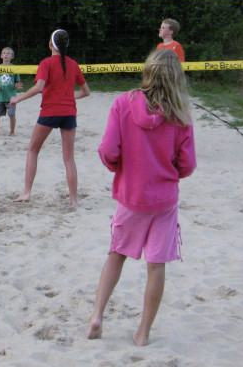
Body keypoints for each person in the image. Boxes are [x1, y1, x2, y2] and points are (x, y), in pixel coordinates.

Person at [87, 49, 196, 346]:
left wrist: (119, 168)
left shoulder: (124, 103)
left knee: (116, 255)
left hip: (131, 197)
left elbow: (109, 151)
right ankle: (143, 333)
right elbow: (187, 165)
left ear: (148, 70)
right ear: (177, 78)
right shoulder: (180, 114)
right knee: (156, 266)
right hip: (163, 200)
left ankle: (97, 315)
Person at [9, 29, 91, 207]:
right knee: (69, 158)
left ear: (50, 44)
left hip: (50, 112)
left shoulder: (46, 63)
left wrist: (18, 99)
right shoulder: (73, 64)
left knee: (32, 150)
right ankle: (74, 200)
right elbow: (86, 92)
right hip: (69, 113)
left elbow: (39, 87)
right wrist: (68, 97)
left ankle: (27, 192)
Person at [0, 47, 23, 136]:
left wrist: (17, 86)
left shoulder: (15, 68)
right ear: (1, 55)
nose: (6, 54)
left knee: (12, 115)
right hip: (0, 96)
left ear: (12, 56)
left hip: (11, 97)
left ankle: (12, 132)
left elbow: (17, 82)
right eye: (4, 53)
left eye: (8, 53)